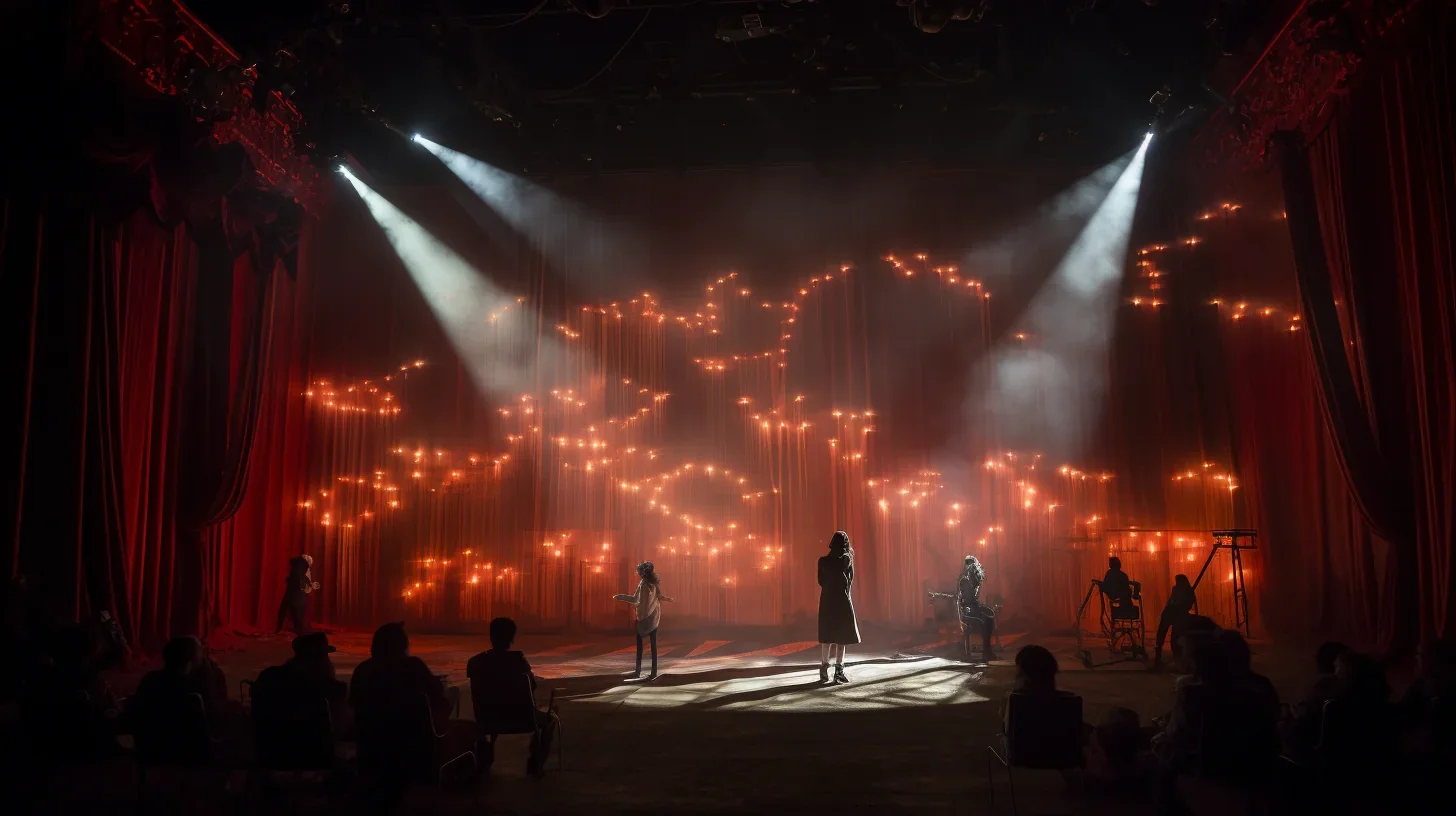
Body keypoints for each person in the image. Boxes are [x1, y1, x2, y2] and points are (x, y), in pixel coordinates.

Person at [466, 617, 558, 775]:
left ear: (491, 636)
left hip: (488, 718)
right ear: (512, 638)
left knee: (491, 707)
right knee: (551, 716)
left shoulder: (475, 663)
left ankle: (485, 757)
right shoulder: (519, 662)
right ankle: (535, 763)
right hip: (523, 718)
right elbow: (532, 686)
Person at [253, 632, 350, 738]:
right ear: (319, 659)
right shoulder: (327, 687)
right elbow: (340, 728)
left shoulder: (269, 676)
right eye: (325, 656)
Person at [613, 561, 675, 680]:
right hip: (654, 617)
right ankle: (653, 672)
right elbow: (660, 597)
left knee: (640, 645)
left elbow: (635, 599)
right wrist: (669, 599)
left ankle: (638, 671)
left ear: (642, 573)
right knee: (653, 645)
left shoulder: (643, 585)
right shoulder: (653, 583)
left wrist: (620, 597)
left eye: (638, 572)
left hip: (644, 618)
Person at [929, 555, 997, 660]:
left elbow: (975, 597)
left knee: (990, 617)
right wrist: (939, 595)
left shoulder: (975, 579)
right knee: (984, 619)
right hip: (967, 611)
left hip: (974, 608)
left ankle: (987, 650)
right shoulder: (964, 581)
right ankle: (987, 651)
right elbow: (961, 597)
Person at [816, 531, 861, 684]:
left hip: (827, 600)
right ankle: (838, 672)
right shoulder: (846, 559)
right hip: (841, 600)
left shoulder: (822, 561)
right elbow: (850, 580)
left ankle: (823, 670)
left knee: (827, 636)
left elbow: (820, 581)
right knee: (841, 637)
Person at [1152, 574, 1196, 667]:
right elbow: (1174, 602)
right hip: (1170, 613)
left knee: (1173, 638)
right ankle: (1159, 658)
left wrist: (1181, 607)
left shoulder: (1187, 591)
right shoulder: (1178, 590)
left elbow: (1188, 605)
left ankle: (1176, 660)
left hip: (1176, 615)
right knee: (1162, 635)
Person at [275, 553, 320, 635]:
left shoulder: (301, 571)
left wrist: (310, 585)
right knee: (293, 614)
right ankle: (282, 628)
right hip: (296, 596)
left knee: (292, 614)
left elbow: (305, 585)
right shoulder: (301, 570)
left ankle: (282, 628)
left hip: (296, 596)